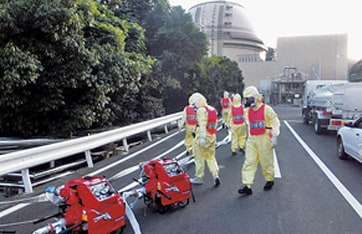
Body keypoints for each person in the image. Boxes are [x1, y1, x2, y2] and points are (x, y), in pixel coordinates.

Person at [238, 86, 280, 195]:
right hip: (252, 139)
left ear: (256, 98)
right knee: (249, 162)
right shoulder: (247, 111)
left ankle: (269, 180)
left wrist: (274, 136)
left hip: (264, 138)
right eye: (246, 99)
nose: (248, 102)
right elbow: (248, 124)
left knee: (266, 161)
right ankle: (247, 185)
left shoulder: (266, 109)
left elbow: (275, 121)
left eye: (250, 99)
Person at [189, 92, 221, 187]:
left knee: (199, 157)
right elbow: (215, 124)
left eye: (194, 105)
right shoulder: (212, 109)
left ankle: (199, 177)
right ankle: (215, 175)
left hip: (202, 136)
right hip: (212, 136)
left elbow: (202, 125)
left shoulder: (201, 110)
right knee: (211, 157)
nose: (194, 108)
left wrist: (202, 138)